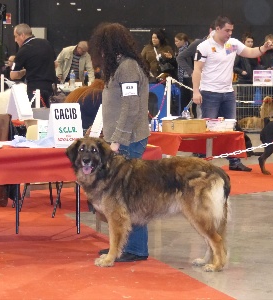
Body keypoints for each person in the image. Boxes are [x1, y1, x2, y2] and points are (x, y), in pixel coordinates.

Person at [89, 22, 151, 262]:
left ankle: (134, 249)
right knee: (122, 199)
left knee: (126, 199)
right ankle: (124, 246)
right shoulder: (121, 67)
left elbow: (131, 106)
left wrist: (117, 140)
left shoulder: (127, 68)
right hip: (122, 138)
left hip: (128, 140)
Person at [192, 16, 273, 171]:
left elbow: (250, 52)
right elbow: (197, 70)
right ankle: (204, 163)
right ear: (217, 29)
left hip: (228, 93)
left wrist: (263, 48)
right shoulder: (204, 46)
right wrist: (196, 91)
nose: (229, 33)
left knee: (231, 128)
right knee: (208, 129)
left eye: (231, 30)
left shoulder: (233, 44)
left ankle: (234, 161)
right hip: (209, 93)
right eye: (226, 30)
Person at [10, 24, 56, 108]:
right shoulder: (47, 43)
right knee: (48, 116)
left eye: (16, 36)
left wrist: (25, 71)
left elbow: (13, 75)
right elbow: (56, 64)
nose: (15, 40)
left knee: (35, 117)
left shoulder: (23, 50)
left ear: (23, 35)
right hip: (50, 88)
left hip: (34, 90)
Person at [177, 22, 216, 118]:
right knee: (202, 113)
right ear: (211, 31)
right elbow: (180, 58)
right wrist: (192, 72)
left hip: (216, 83)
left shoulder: (222, 45)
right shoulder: (198, 44)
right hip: (202, 83)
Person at [174, 32, 191, 115]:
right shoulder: (179, 51)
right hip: (183, 78)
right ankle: (184, 114)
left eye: (177, 41)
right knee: (183, 99)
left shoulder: (189, 50)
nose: (175, 43)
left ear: (183, 41)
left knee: (188, 98)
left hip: (189, 78)